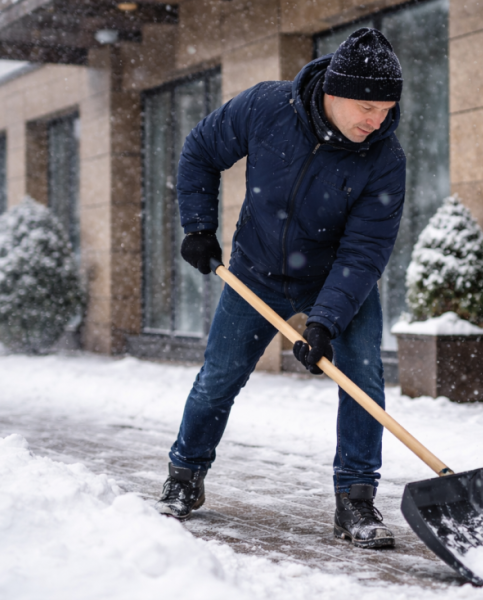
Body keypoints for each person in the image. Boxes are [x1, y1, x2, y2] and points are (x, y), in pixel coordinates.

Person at [153, 28, 405, 550]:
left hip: (336, 278)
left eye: (386, 110)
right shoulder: (267, 107)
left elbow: (364, 252)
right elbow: (200, 150)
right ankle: (184, 475)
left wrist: (325, 321)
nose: (376, 121)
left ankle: (355, 498)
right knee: (219, 378)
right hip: (256, 272)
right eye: (367, 107)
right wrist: (198, 227)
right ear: (333, 91)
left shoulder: (384, 159)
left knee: (363, 380)